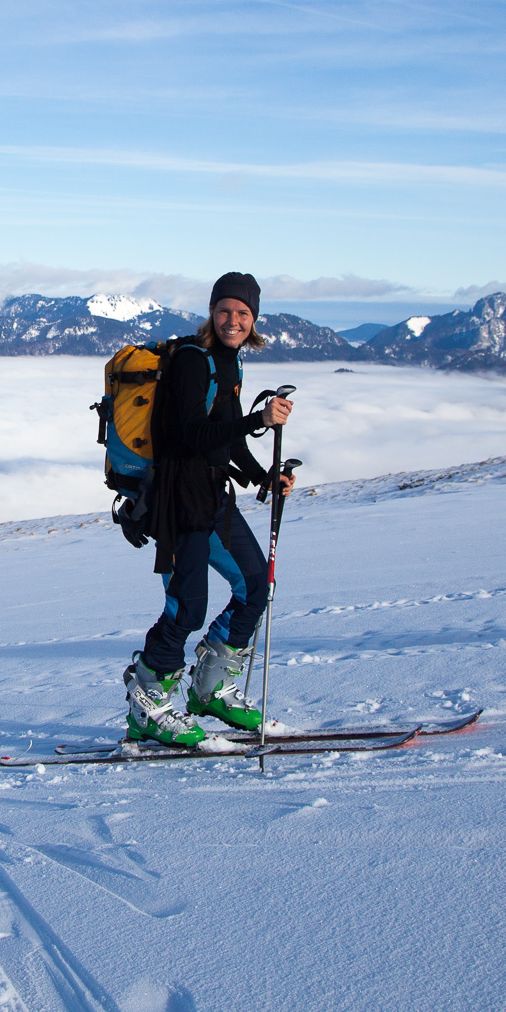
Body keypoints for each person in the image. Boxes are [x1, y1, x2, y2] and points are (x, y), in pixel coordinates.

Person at [124, 272, 295, 746]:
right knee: (187, 609)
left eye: (243, 313)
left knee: (256, 584)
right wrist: (257, 419)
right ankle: (147, 705)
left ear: (254, 319)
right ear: (211, 313)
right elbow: (190, 435)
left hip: (213, 498)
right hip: (178, 504)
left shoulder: (229, 364)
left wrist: (264, 477)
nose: (233, 320)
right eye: (225, 310)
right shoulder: (192, 363)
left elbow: (226, 437)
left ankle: (211, 688)